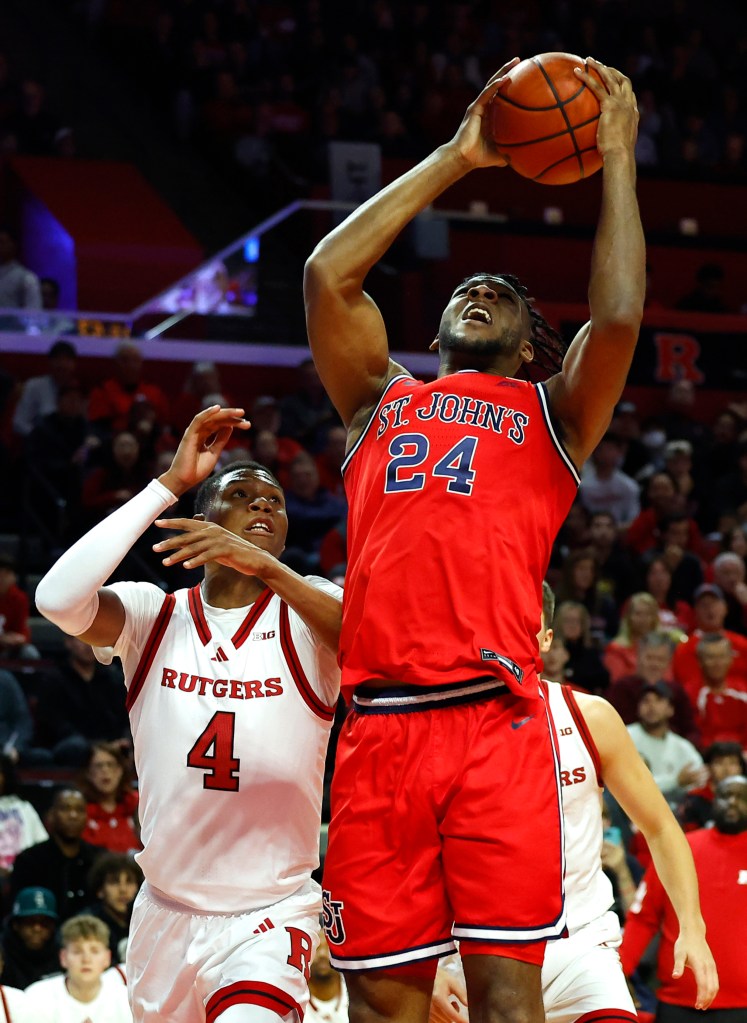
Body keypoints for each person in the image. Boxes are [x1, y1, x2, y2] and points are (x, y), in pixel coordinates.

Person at [304, 56, 645, 1023]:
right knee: (384, 1009)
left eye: (499, 289)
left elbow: (617, 314)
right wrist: (459, 156)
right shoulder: (379, 403)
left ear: (535, 340)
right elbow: (329, 273)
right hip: (377, 729)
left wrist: (615, 155)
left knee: (505, 1002)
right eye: (466, 286)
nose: (476, 290)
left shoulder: (553, 418)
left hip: (494, 725)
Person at [35, 405, 343, 1022]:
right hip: (166, 910)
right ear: (202, 520)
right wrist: (167, 485)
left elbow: (373, 637)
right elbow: (58, 599)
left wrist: (263, 567)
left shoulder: (311, 612)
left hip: (271, 912)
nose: (263, 506)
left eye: (275, 501)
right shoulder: (155, 615)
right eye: (241, 493)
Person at [430, 584, 718, 1023]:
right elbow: (409, 855)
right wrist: (426, 966)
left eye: (522, 628)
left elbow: (660, 827)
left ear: (546, 639)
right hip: (472, 955)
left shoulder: (589, 716)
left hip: (579, 949)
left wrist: (692, 926)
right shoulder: (437, 723)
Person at [620, 776, 747, 1019]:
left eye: (741, 797)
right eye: (725, 796)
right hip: (677, 1002)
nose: (732, 803)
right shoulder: (680, 849)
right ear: (712, 801)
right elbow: (643, 918)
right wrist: (617, 972)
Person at [9, 786, 103, 922]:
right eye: (65, 809)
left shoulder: (98, 859)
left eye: (79, 810)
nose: (73, 815)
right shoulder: (29, 860)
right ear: (51, 815)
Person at [24, 914, 131, 1022]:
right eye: (77, 951)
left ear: (107, 958)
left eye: (94, 951)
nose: (86, 959)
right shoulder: (37, 997)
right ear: (63, 957)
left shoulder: (125, 1000)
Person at [626, 681, 706, 809]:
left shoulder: (682, 747)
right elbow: (630, 785)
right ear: (638, 708)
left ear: (670, 709)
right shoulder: (625, 737)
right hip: (633, 810)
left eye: (658, 700)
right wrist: (676, 781)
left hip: (677, 812)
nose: (651, 706)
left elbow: (700, 780)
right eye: (646, 701)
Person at [78, 741, 141, 854]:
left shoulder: (137, 803)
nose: (105, 771)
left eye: (110, 765)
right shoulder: (79, 809)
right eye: (99, 766)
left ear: (120, 770)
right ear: (88, 773)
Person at [84, 852, 144, 964]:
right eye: (114, 882)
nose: (123, 890)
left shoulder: (145, 919)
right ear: (100, 890)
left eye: (129, 881)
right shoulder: (88, 925)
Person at [11, 339, 78, 438]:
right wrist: (40, 438)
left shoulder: (77, 389)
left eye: (67, 360)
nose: (62, 364)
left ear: (74, 364)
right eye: (58, 359)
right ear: (50, 362)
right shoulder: (34, 386)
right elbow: (19, 422)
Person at [0, 887, 60, 990]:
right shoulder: (2, 950)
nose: (37, 928)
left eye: (44, 922)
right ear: (16, 924)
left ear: (53, 926)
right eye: (30, 921)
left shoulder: (64, 951)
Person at [678, 742, 747, 831]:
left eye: (732, 763)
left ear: (741, 767)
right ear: (709, 767)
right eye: (719, 763)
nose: (726, 769)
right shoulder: (695, 799)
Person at [307, 933, 349, 1023]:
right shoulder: (293, 998)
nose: (322, 954)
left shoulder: (356, 990)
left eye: (329, 948)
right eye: (315, 948)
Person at [0, 228, 41, 310]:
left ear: (13, 245)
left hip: (12, 322)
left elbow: (33, 311)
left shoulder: (25, 277)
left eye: (1, 242)